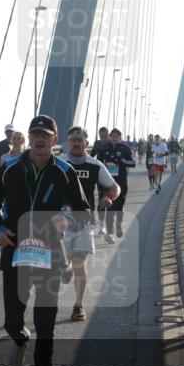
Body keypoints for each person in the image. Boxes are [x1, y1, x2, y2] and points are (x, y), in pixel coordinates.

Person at [0, 115, 91, 366]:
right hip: (15, 251)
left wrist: (68, 219)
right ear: (28, 139)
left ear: (55, 140)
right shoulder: (10, 169)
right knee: (12, 320)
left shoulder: (65, 172)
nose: (40, 140)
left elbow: (84, 212)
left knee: (45, 320)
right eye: (35, 135)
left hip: (50, 254)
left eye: (46, 136)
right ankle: (20, 340)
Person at [59, 126, 119, 322]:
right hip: (61, 222)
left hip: (85, 221)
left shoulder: (95, 165)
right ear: (68, 143)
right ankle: (65, 267)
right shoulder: (59, 163)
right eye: (73, 140)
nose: (76, 144)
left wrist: (109, 198)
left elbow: (115, 187)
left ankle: (78, 305)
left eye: (80, 140)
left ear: (87, 143)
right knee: (65, 263)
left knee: (79, 261)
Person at [94, 127, 135, 239]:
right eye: (112, 136)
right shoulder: (104, 149)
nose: (114, 138)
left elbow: (133, 163)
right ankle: (110, 233)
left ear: (120, 137)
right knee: (110, 207)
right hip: (109, 183)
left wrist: (121, 160)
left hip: (121, 182)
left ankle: (118, 225)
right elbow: (98, 164)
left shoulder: (125, 148)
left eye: (116, 136)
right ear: (110, 137)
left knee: (119, 207)